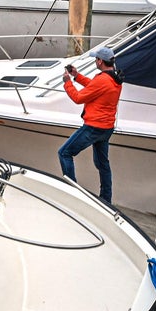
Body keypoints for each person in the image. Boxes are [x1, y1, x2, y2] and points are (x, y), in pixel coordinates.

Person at [59, 46, 124, 204]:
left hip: (94, 127)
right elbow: (94, 87)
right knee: (102, 164)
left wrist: (68, 82)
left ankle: (72, 191)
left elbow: (78, 98)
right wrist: (77, 76)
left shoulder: (102, 79)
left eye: (96, 59)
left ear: (100, 61)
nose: (95, 61)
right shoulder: (114, 78)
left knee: (64, 153)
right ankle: (106, 199)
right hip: (107, 128)